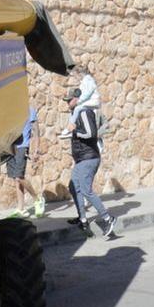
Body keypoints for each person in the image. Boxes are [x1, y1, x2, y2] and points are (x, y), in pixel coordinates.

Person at [60, 89, 120, 239]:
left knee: (86, 190)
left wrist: (74, 132)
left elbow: (90, 133)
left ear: (77, 99)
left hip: (89, 157)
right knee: (74, 187)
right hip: (82, 158)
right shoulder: (75, 113)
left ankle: (108, 218)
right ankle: (83, 219)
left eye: (69, 100)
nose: (67, 103)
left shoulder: (84, 112)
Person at [4, 101, 45, 217]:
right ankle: (21, 208)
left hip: (22, 146)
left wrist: (36, 148)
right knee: (16, 179)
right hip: (10, 147)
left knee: (19, 176)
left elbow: (36, 131)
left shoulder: (29, 109)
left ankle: (37, 199)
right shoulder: (8, 110)